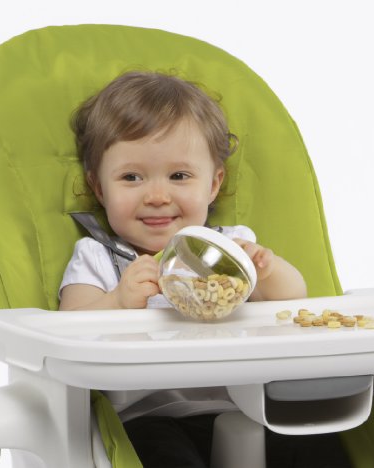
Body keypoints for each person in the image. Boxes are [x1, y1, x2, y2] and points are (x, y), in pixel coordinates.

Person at [59, 70, 307, 467]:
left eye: (179, 176)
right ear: (100, 189)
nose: (157, 196)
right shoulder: (98, 256)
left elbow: (293, 302)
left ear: (213, 184)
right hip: (147, 414)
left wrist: (267, 268)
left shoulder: (229, 248)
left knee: (312, 444)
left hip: (246, 405)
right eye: (131, 177)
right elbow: (67, 328)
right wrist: (118, 302)